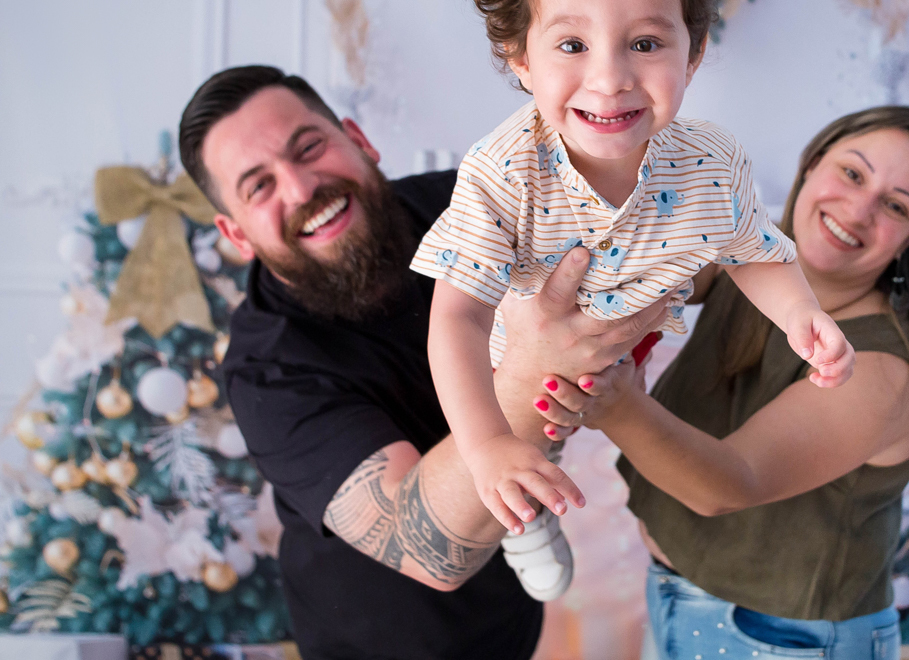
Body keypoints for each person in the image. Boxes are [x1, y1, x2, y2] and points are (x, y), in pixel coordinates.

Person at [408, 0, 854, 589]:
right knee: (532, 437)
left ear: (693, 53)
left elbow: (752, 251)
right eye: (572, 45)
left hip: (631, 328)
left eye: (645, 43)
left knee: (616, 404)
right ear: (521, 59)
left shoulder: (711, 161)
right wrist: (486, 444)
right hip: (510, 359)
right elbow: (457, 319)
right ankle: (523, 508)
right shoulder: (503, 171)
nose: (610, 77)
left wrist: (802, 315)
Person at [177, 65, 665, 660]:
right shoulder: (268, 371)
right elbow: (425, 547)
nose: (301, 189)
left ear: (359, 139)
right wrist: (539, 367)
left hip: (511, 628)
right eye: (259, 186)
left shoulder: (467, 205)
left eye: (309, 148)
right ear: (236, 235)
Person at [533, 107, 909, 660]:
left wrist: (614, 402)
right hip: (677, 597)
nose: (858, 210)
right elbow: (649, 263)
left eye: (896, 206)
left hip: (783, 642)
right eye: (852, 173)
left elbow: (728, 484)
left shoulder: (884, 373)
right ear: (811, 165)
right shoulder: (752, 255)